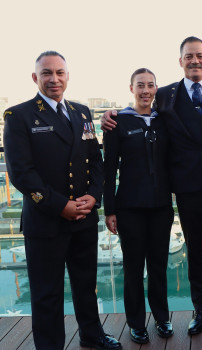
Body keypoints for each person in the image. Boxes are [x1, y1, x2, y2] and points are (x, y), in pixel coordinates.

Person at [102, 36, 202, 335]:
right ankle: (200, 309)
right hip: (188, 185)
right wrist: (109, 114)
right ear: (180, 61)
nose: (194, 60)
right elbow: (139, 114)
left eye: (199, 55)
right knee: (195, 251)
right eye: (188, 56)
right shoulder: (165, 95)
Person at [2, 51, 121, 350]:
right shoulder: (19, 116)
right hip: (46, 221)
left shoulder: (81, 113)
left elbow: (96, 160)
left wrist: (93, 196)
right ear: (35, 78)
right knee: (47, 292)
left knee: (86, 286)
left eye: (59, 73)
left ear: (67, 76)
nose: (54, 79)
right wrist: (61, 206)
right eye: (46, 73)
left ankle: (91, 335)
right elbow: (21, 173)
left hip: (83, 218)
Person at [103, 68, 174, 344]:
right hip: (129, 206)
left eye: (151, 85)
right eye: (140, 85)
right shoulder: (117, 122)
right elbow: (109, 170)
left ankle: (162, 318)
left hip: (160, 206)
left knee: (158, 265)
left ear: (156, 89)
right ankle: (136, 323)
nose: (146, 90)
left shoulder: (165, 121)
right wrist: (110, 210)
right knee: (133, 267)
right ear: (131, 88)